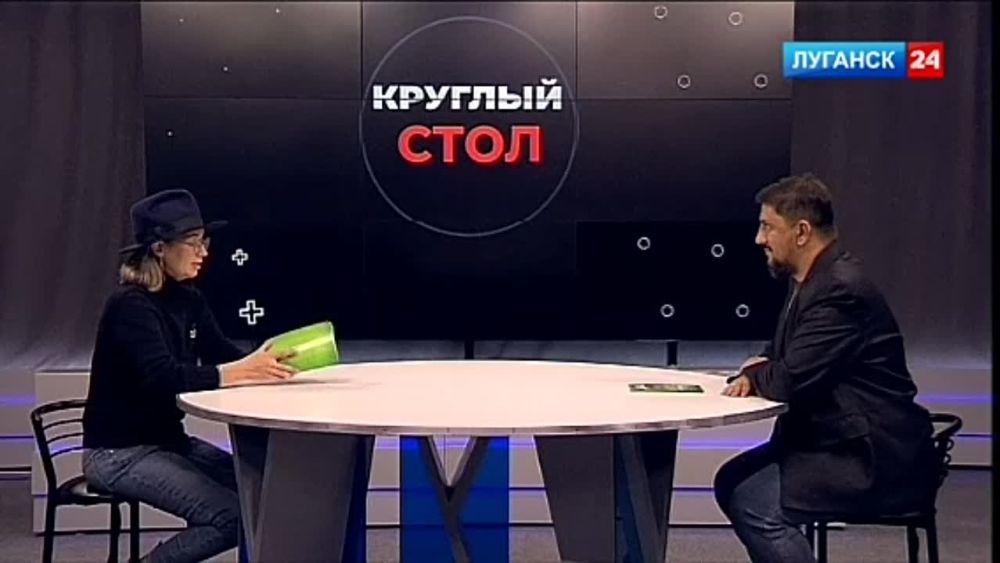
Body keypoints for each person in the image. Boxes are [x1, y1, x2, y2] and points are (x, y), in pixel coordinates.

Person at [713, 174, 938, 563]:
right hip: (830, 441)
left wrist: (754, 374)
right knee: (731, 480)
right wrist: (764, 367)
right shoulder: (813, 281)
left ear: (801, 232)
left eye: (768, 227)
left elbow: (788, 380)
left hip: (871, 456)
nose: (758, 239)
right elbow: (781, 354)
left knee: (752, 501)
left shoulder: (840, 291)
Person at [81, 189, 298, 563]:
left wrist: (268, 365)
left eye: (204, 242)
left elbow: (222, 353)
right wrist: (238, 371)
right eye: (193, 243)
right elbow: (163, 377)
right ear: (159, 248)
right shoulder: (131, 306)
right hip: (119, 454)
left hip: (170, 443)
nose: (203, 253)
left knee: (261, 491)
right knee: (229, 518)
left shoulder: (188, 298)